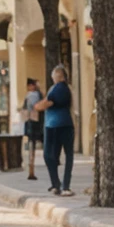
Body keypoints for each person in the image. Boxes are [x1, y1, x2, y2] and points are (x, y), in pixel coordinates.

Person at [36, 64, 75, 196]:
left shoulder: (60, 88)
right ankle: (58, 184)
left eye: (54, 74)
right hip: (57, 125)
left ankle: (63, 185)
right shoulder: (57, 87)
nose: (53, 77)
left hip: (57, 125)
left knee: (51, 155)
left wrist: (39, 105)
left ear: (59, 75)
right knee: (57, 155)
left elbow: (47, 103)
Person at [21, 78, 45, 180]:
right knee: (33, 147)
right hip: (37, 124)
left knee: (32, 147)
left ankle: (31, 169)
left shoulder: (30, 95)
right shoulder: (37, 95)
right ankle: (31, 170)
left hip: (31, 124)